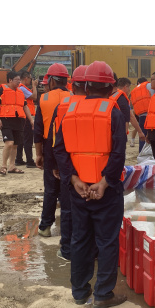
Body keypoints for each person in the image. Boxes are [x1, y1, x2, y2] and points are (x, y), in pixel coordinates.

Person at [53, 60, 127, 308]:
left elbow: (60, 150)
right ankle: (104, 294)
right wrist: (105, 183)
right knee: (106, 241)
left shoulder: (70, 111)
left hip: (79, 190)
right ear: (110, 87)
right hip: (105, 191)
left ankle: (79, 292)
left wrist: (74, 180)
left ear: (84, 85)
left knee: (80, 239)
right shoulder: (113, 111)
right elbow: (118, 153)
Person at [49, 65, 88, 261]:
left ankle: (67, 250)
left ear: (73, 85)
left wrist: (55, 165)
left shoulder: (63, 106)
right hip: (95, 170)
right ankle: (93, 252)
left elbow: (55, 140)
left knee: (68, 210)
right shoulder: (106, 106)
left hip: (69, 168)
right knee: (93, 212)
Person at [34, 63, 71, 237]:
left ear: (53, 80)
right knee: (67, 187)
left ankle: (45, 227)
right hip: (69, 146)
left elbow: (38, 130)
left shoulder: (44, 99)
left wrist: (39, 154)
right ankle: (67, 229)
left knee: (50, 188)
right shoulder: (73, 97)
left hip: (50, 146)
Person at [0, 71, 33, 175]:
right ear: (10, 80)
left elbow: (25, 106)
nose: (19, 82)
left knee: (15, 144)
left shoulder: (20, 92)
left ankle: (12, 166)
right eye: (16, 80)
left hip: (18, 120)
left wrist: (31, 120)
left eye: (19, 80)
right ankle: (3, 166)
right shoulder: (2, 90)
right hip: (6, 120)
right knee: (9, 143)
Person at [110, 77, 145, 145]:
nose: (129, 90)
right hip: (119, 135)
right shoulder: (122, 99)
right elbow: (130, 117)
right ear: (125, 87)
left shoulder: (111, 96)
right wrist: (140, 132)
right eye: (129, 88)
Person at [15, 71, 38, 168]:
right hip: (26, 116)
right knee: (28, 139)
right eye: (30, 79)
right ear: (26, 78)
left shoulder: (19, 87)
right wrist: (35, 86)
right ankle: (30, 161)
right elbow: (34, 97)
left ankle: (19, 159)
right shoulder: (22, 88)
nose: (30, 80)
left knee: (21, 138)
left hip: (21, 116)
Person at [130, 77, 154, 152]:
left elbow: (132, 104)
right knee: (152, 136)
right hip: (152, 115)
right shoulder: (150, 85)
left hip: (141, 116)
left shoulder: (134, 91)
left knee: (142, 136)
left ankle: (142, 153)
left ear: (138, 83)